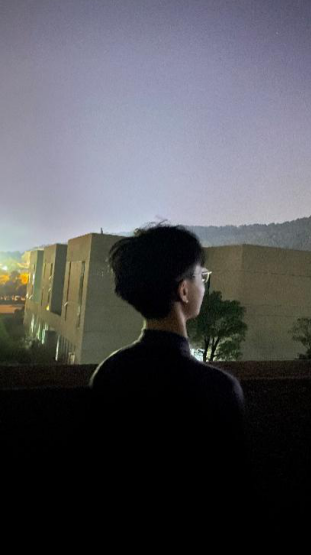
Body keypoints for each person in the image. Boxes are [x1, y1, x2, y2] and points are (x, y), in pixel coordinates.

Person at [89, 224, 249, 534]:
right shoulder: (219, 388)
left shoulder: (109, 373)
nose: (204, 285)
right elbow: (235, 493)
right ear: (184, 290)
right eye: (201, 276)